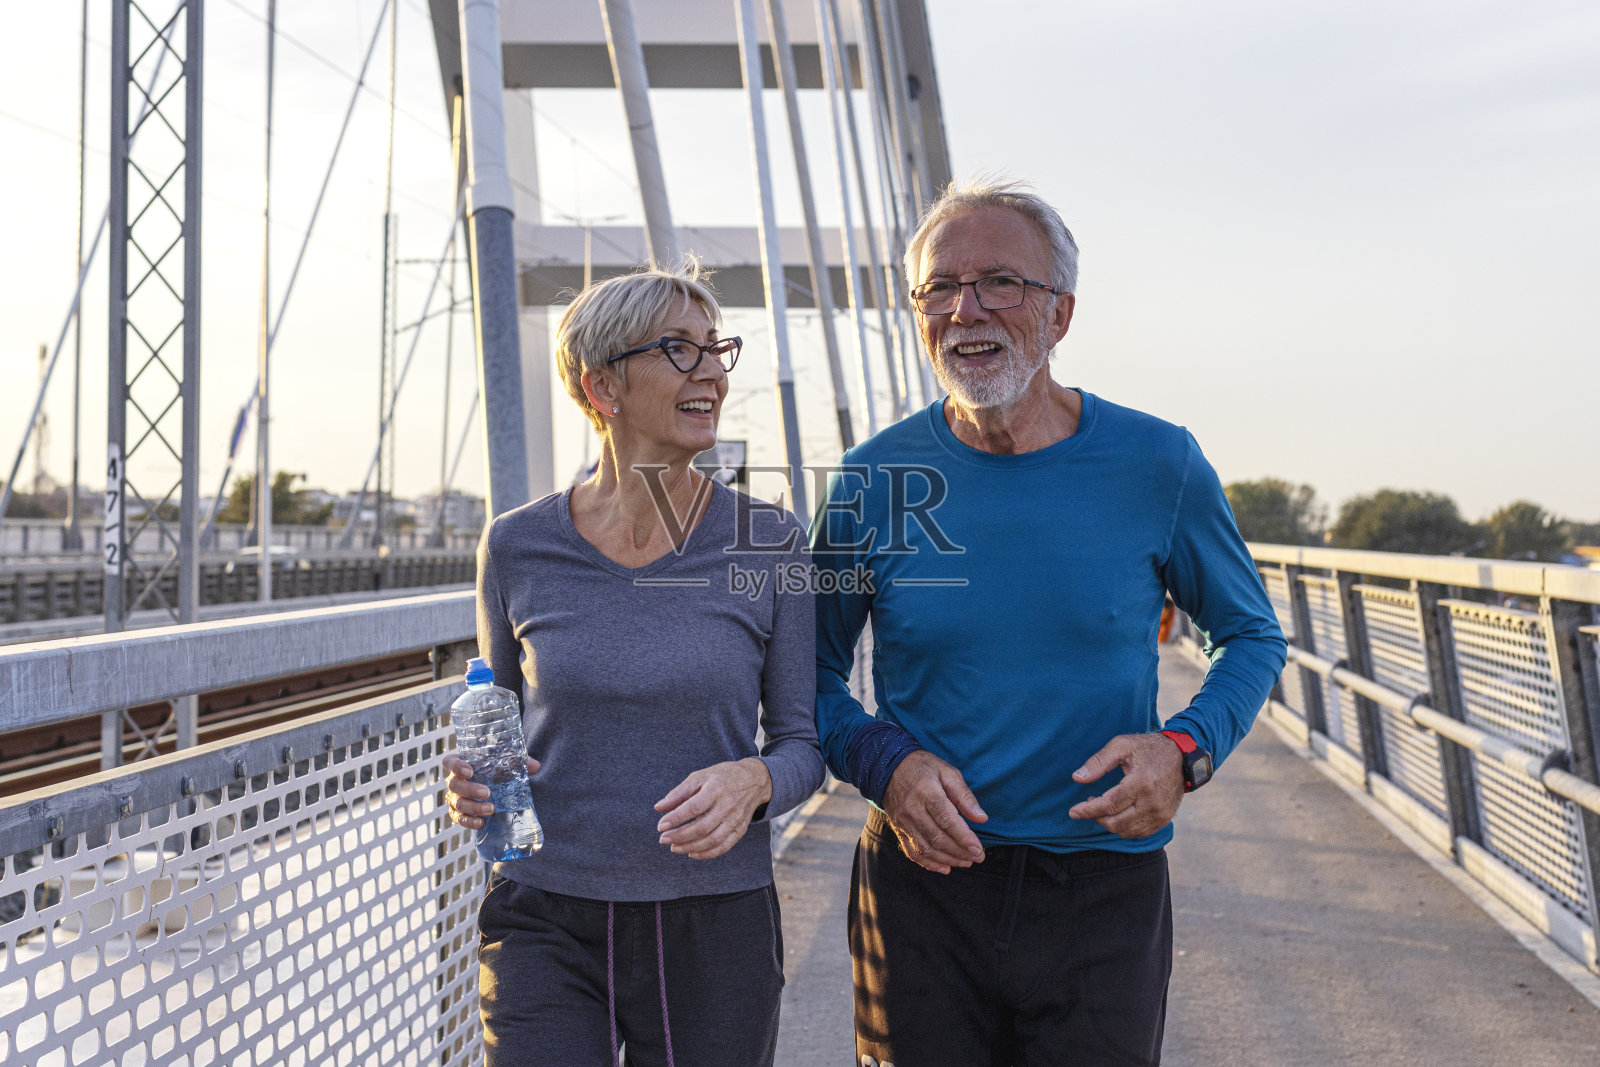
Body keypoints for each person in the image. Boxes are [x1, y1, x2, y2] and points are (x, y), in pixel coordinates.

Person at [811, 177, 1288, 1066]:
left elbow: (1253, 635)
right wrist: (885, 762)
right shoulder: (874, 479)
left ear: (1060, 313)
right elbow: (805, 672)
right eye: (939, 289)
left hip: (1102, 887)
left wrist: (1186, 752)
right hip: (922, 888)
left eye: (1000, 282)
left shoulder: (1159, 462)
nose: (966, 310)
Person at [444, 265, 825, 1066]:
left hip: (714, 924)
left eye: (717, 350)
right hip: (545, 912)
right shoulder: (515, 545)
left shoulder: (771, 540)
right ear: (602, 387)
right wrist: (472, 786)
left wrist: (754, 781)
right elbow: (495, 720)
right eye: (679, 351)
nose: (714, 372)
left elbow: (803, 746)